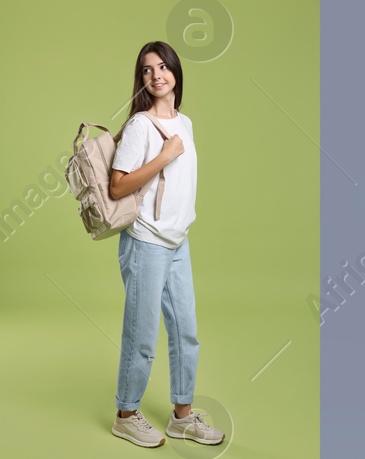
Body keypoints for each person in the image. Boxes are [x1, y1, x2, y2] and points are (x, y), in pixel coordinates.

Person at [107, 40, 226, 448]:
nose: (156, 75)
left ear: (175, 71)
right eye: (147, 70)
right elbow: (118, 183)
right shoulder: (141, 125)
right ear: (141, 79)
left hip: (178, 242)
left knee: (186, 332)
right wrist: (164, 155)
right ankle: (125, 414)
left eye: (163, 67)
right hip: (145, 243)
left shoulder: (186, 122)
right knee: (142, 336)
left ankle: (182, 417)